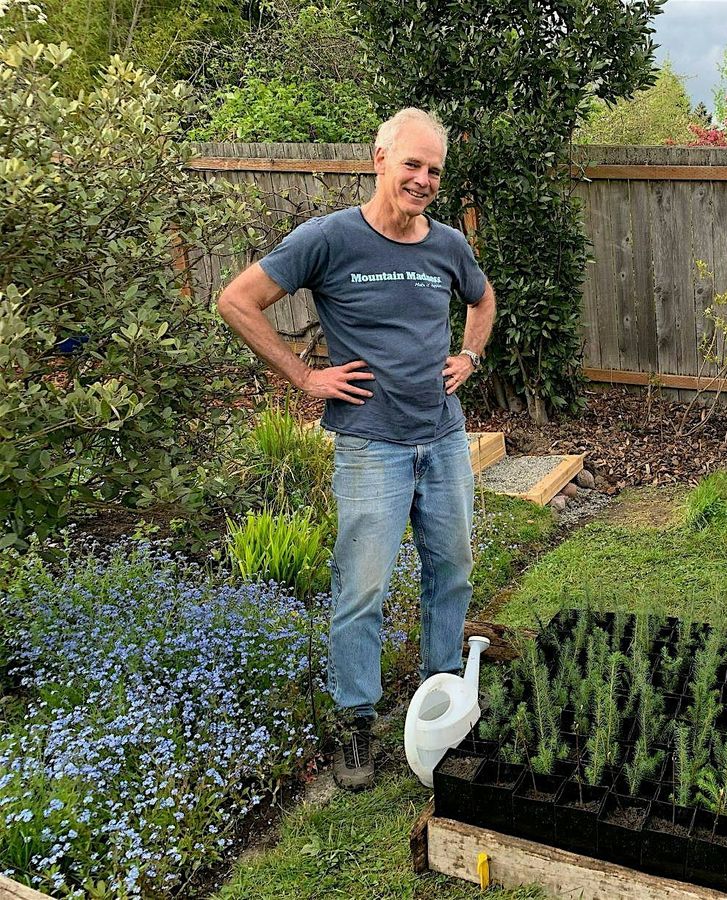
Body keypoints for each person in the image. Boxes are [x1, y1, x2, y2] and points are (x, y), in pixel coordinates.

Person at [217, 107, 496, 790]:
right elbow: (237, 300)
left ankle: (440, 702)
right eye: (413, 164)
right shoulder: (329, 238)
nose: (424, 179)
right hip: (371, 445)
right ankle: (357, 723)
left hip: (443, 435)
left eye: (434, 169)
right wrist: (305, 376)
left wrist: (469, 355)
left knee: (452, 570)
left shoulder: (448, 246)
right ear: (379, 158)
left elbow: (483, 303)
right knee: (362, 588)